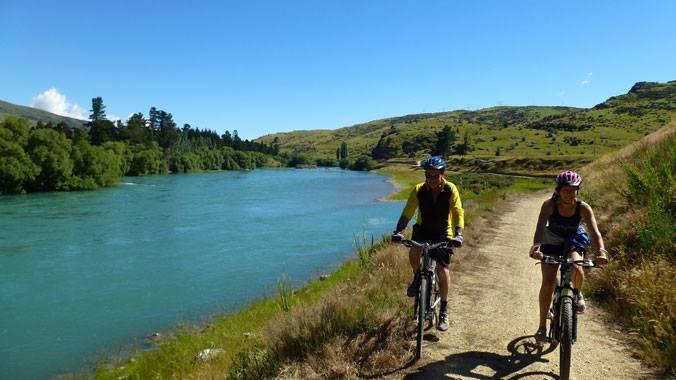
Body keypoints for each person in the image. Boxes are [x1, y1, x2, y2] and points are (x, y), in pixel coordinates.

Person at [529, 170, 609, 342]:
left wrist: (601, 252)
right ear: (558, 190)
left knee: (577, 267)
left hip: (572, 239)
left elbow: (595, 233)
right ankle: (542, 327)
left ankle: (577, 293)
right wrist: (536, 248)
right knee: (548, 281)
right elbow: (540, 229)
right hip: (551, 240)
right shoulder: (549, 205)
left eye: (574, 190)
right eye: (566, 190)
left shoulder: (583, 207)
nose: (570, 194)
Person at [393, 156, 464, 332]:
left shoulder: (450, 189)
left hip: (443, 232)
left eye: (435, 176)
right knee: (414, 251)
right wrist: (399, 231)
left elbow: (457, 212)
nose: (431, 179)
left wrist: (458, 235)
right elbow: (407, 213)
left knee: (442, 269)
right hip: (423, 230)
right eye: (428, 175)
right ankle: (417, 277)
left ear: (442, 174)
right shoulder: (418, 190)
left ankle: (444, 310)